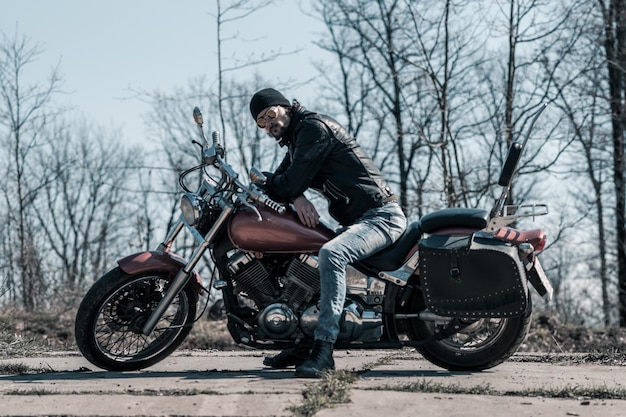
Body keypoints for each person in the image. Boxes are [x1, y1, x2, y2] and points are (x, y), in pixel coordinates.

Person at [249, 88, 407, 378]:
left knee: (331, 254)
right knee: (303, 254)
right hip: (360, 221)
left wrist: (291, 191)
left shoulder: (313, 129)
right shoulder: (297, 141)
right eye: (261, 121)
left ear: (286, 108)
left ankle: (324, 352)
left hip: (381, 216)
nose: (269, 123)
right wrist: (293, 196)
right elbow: (282, 183)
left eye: (271, 114)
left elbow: (287, 183)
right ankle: (302, 341)